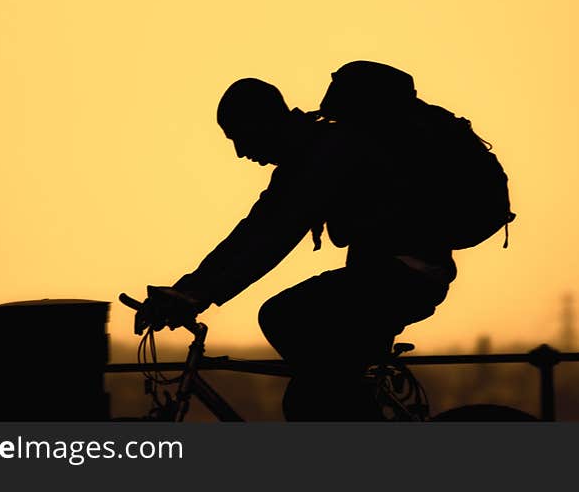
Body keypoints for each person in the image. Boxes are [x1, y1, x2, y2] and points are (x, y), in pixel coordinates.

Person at [142, 72, 456, 420]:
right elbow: (252, 233)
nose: (240, 152)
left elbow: (272, 238)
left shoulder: (326, 154)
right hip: (391, 275)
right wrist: (187, 290)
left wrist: (196, 295)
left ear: (264, 121)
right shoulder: (308, 156)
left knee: (285, 325)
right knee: (311, 395)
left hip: (404, 276)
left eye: (241, 137)